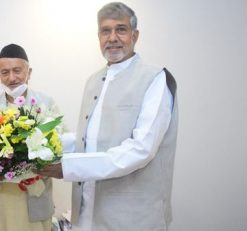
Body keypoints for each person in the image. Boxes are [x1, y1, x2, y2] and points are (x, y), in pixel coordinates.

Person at [37, 2, 178, 231]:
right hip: (87, 213)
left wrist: (67, 167)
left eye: (121, 29)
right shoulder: (93, 81)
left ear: (135, 35)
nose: (112, 37)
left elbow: (141, 149)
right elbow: (88, 138)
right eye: (106, 30)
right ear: (98, 36)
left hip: (132, 218)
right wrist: (39, 145)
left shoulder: (155, 79)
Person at [0, 44, 59, 231]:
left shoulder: (46, 103)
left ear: (29, 72)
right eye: (5, 72)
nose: (11, 78)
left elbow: (57, 147)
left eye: (17, 71)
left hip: (33, 195)